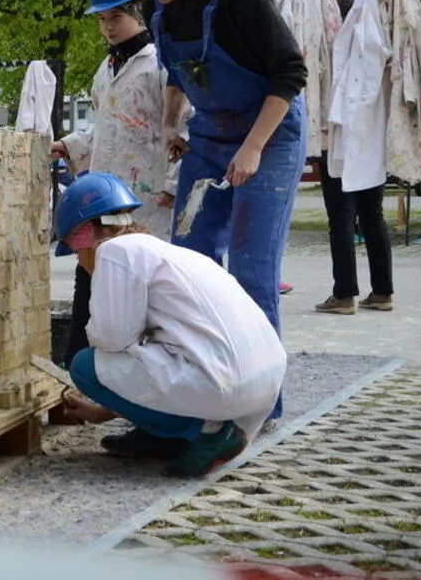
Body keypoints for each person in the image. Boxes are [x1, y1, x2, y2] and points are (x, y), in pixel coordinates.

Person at [114, 0, 307, 419]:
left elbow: (290, 73)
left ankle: (261, 405)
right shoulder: (158, 9)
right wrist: (170, 123)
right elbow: (179, 73)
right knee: (188, 263)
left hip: (270, 132)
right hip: (210, 135)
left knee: (251, 267)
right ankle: (200, 391)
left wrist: (253, 147)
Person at [54, 172, 286, 477]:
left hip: (223, 383)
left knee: (84, 365)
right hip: (261, 381)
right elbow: (152, 363)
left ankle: (202, 433)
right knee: (131, 355)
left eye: (74, 253)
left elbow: (111, 339)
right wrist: (104, 413)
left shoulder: (114, 252)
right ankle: (166, 435)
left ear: (83, 239)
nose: (80, 264)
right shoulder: (160, 251)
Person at [50, 0, 182, 368]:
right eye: (103, 19)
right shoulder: (104, 72)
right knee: (89, 273)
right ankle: (78, 363)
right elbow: (103, 129)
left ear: (140, 11)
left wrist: (173, 185)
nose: (109, 27)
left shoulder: (161, 66)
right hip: (103, 198)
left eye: (117, 17)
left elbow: (182, 127)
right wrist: (68, 147)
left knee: (138, 287)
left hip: (149, 199)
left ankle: (138, 370)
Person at [315, 0, 393, 315]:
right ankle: (383, 291)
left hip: (339, 146)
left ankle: (345, 293)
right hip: (372, 147)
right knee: (373, 216)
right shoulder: (379, 53)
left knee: (342, 219)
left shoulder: (336, 53)